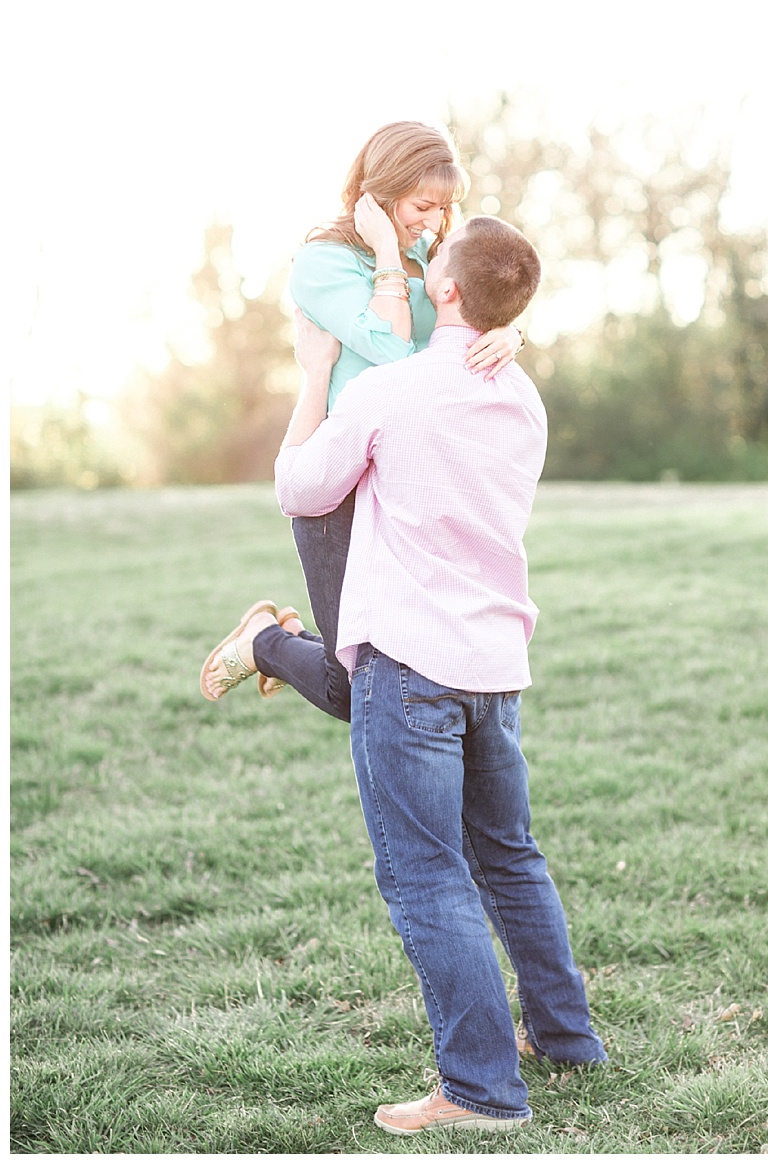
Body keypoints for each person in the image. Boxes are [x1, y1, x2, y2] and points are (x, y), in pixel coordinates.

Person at [231, 214, 603, 1134]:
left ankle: (480, 1090)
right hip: (494, 668)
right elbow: (488, 304)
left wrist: (314, 372)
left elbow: (299, 486)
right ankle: (565, 1037)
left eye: (434, 259)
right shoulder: (523, 399)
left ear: (442, 289)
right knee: (510, 858)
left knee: (428, 879)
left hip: (411, 667)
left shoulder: (393, 392)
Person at [199, 121, 523, 715]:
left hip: (409, 471)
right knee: (353, 687)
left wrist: (510, 329)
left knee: (405, 656)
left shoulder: (429, 251)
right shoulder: (322, 263)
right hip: (339, 472)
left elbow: (472, 305)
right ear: (380, 190)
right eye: (422, 205)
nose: (432, 220)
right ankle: (265, 642)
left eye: (444, 207)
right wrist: (383, 253)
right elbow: (393, 351)